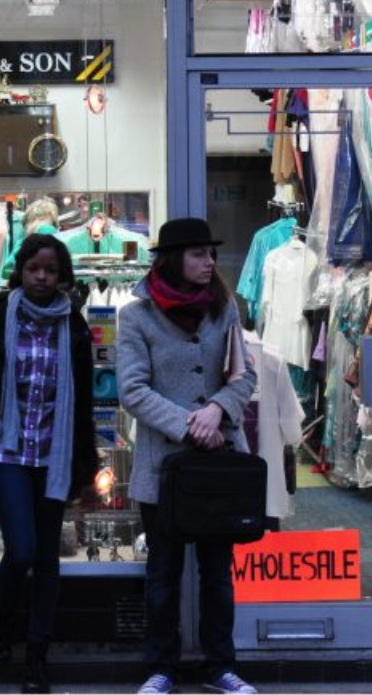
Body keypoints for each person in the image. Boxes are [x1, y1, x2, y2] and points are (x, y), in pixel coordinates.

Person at [116, 218, 259, 695]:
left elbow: (244, 376)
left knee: (217, 574)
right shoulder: (135, 316)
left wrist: (217, 409)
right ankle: (161, 668)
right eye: (199, 254)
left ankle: (220, 667)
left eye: (212, 254)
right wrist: (187, 422)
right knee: (163, 575)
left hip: (219, 463)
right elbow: (132, 390)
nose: (210, 262)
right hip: (164, 469)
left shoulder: (226, 309)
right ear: (173, 259)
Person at [0, 233, 98, 695]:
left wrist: (85, 465)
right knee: (21, 551)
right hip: (8, 452)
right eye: (34, 269)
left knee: (47, 557)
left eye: (51, 270)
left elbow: (82, 402)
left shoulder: (74, 327)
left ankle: (37, 655)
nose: (41, 277)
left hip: (52, 455)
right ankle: (2, 625)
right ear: (20, 270)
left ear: (63, 276)